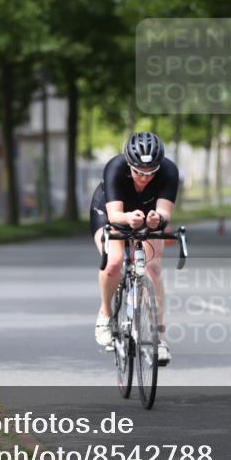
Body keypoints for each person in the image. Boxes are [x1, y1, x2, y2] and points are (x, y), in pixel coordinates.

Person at [90, 131, 177, 364]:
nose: (145, 178)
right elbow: (114, 214)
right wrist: (128, 218)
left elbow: (166, 212)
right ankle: (106, 314)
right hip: (111, 213)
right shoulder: (115, 167)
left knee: (154, 269)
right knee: (114, 261)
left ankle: (158, 338)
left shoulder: (169, 171)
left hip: (146, 216)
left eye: (151, 172)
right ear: (129, 164)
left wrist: (157, 218)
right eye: (139, 171)